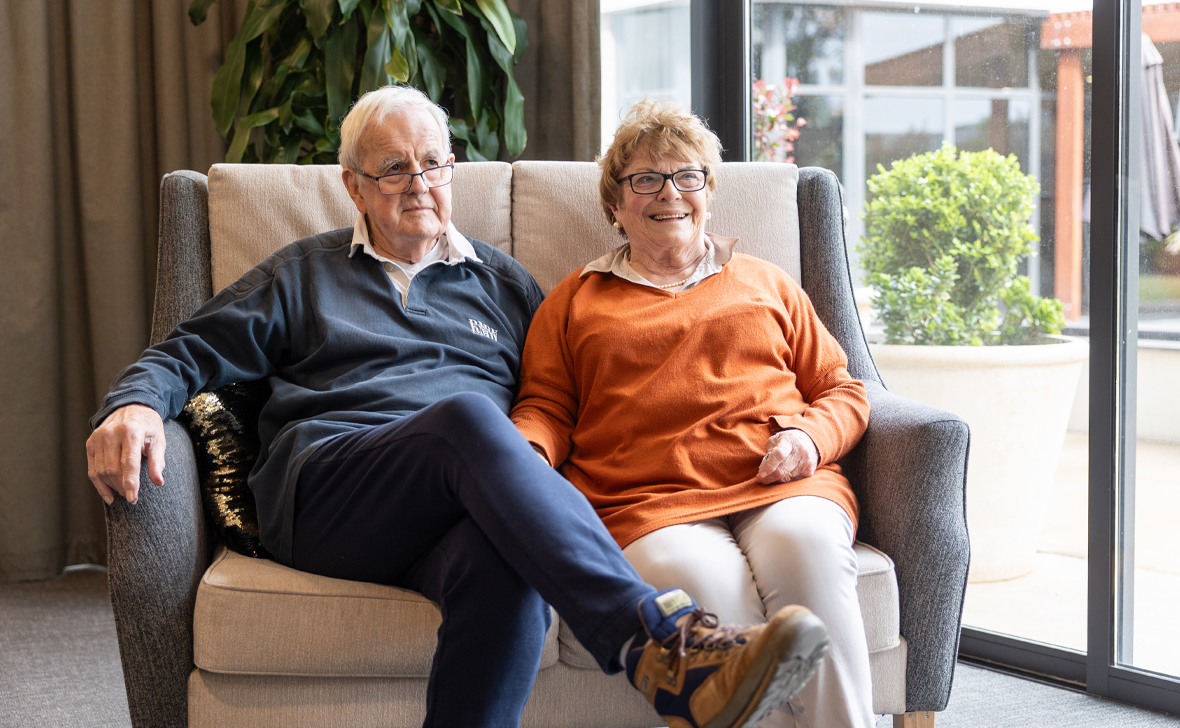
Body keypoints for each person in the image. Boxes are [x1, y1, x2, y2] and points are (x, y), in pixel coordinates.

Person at [85, 85, 831, 728]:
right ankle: (657, 648)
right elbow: (187, 350)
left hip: (452, 508)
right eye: (393, 168)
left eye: (434, 164)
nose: (419, 184)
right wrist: (136, 404)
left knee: (506, 574)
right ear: (354, 187)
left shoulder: (505, 286)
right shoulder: (304, 274)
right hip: (331, 493)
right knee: (468, 419)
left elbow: (555, 400)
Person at [511, 98, 874, 728]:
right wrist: (521, 456)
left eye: (687, 176)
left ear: (708, 191)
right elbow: (546, 406)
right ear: (615, 203)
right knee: (705, 590)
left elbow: (841, 389)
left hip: (782, 482)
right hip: (649, 501)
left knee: (807, 547)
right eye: (645, 179)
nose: (669, 193)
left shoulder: (767, 282)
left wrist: (809, 441)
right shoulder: (573, 300)